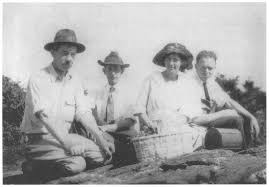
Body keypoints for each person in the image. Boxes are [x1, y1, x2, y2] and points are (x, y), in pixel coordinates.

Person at [20, 29, 114, 180]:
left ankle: (42, 165)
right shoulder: (39, 78)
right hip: (40, 139)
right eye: (64, 53)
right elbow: (44, 116)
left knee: (102, 155)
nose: (69, 59)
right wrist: (67, 144)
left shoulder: (75, 80)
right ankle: (37, 163)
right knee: (79, 164)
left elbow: (84, 113)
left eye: (73, 54)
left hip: (65, 137)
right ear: (53, 52)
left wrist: (101, 140)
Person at [180, 50, 260, 147]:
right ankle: (245, 151)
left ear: (214, 68)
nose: (206, 71)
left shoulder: (211, 83)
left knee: (245, 118)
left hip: (208, 121)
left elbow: (229, 101)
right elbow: (194, 120)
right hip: (194, 126)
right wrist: (224, 113)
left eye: (210, 68)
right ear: (196, 66)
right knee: (236, 119)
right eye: (203, 67)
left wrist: (251, 116)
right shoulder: (188, 83)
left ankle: (249, 150)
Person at [134, 43, 203, 151]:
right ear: (164, 61)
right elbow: (139, 108)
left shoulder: (186, 82)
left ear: (181, 62)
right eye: (168, 59)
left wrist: (176, 122)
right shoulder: (152, 79)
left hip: (178, 127)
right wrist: (149, 124)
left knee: (195, 136)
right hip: (154, 128)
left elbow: (192, 110)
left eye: (175, 60)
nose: (171, 63)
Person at [91, 51, 138, 165]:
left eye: (116, 69)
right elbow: (96, 117)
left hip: (126, 136)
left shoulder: (130, 92)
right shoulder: (99, 94)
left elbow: (130, 121)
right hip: (106, 136)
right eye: (109, 69)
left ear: (122, 71)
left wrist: (107, 128)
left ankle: (114, 154)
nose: (113, 73)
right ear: (104, 71)